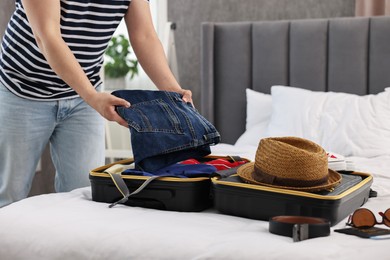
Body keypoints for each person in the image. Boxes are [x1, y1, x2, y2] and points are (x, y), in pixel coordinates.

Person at [0, 0, 192, 207]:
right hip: (21, 89)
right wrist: (92, 96)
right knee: (9, 194)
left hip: (83, 98)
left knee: (84, 194)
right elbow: (47, 35)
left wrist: (173, 91)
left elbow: (144, 35)